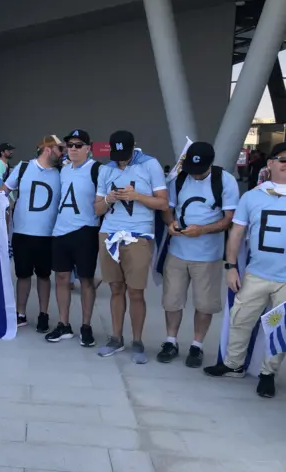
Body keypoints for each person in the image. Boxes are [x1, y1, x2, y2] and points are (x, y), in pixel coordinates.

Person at [204, 142, 286, 398]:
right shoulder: (252, 197)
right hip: (257, 274)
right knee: (241, 320)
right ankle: (232, 364)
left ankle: (267, 373)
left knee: (278, 329)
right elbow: (237, 233)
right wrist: (230, 267)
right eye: (282, 158)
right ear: (270, 163)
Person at [158, 142, 239, 367]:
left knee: (204, 304)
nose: (195, 175)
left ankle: (197, 345)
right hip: (177, 251)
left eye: (200, 171)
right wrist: (170, 224)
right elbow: (168, 208)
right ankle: (170, 341)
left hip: (208, 254)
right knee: (172, 300)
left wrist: (202, 230)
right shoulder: (180, 178)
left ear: (210, 164)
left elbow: (229, 219)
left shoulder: (225, 181)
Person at [94, 130, 168, 364]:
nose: (120, 159)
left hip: (138, 234)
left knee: (136, 291)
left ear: (133, 148)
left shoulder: (150, 165)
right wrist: (108, 200)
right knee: (116, 288)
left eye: (124, 154)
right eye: (116, 154)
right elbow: (96, 209)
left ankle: (137, 341)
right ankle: (116, 338)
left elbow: (163, 202)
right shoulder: (106, 169)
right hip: (109, 233)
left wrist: (137, 196)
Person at [1, 135, 62, 332]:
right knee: (23, 275)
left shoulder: (62, 172)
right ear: (47, 149)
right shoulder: (24, 167)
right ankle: (20, 313)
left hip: (48, 234)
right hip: (22, 232)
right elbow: (5, 189)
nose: (63, 153)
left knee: (44, 275)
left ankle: (43, 313)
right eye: (59, 149)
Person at [48, 129, 101, 346]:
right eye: (70, 145)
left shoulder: (97, 169)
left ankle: (86, 326)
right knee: (61, 278)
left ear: (88, 148)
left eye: (78, 145)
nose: (73, 149)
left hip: (85, 230)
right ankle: (63, 324)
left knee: (86, 279)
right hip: (61, 230)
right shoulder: (63, 170)